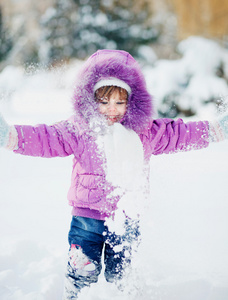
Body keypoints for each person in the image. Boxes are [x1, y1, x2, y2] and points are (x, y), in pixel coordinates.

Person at [0, 49, 228, 299]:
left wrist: (215, 129)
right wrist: (11, 136)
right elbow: (46, 138)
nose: (112, 109)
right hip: (87, 220)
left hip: (127, 219)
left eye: (120, 102)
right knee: (81, 272)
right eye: (104, 101)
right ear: (90, 99)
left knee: (121, 277)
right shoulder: (79, 129)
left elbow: (179, 133)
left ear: (132, 101)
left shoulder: (145, 131)